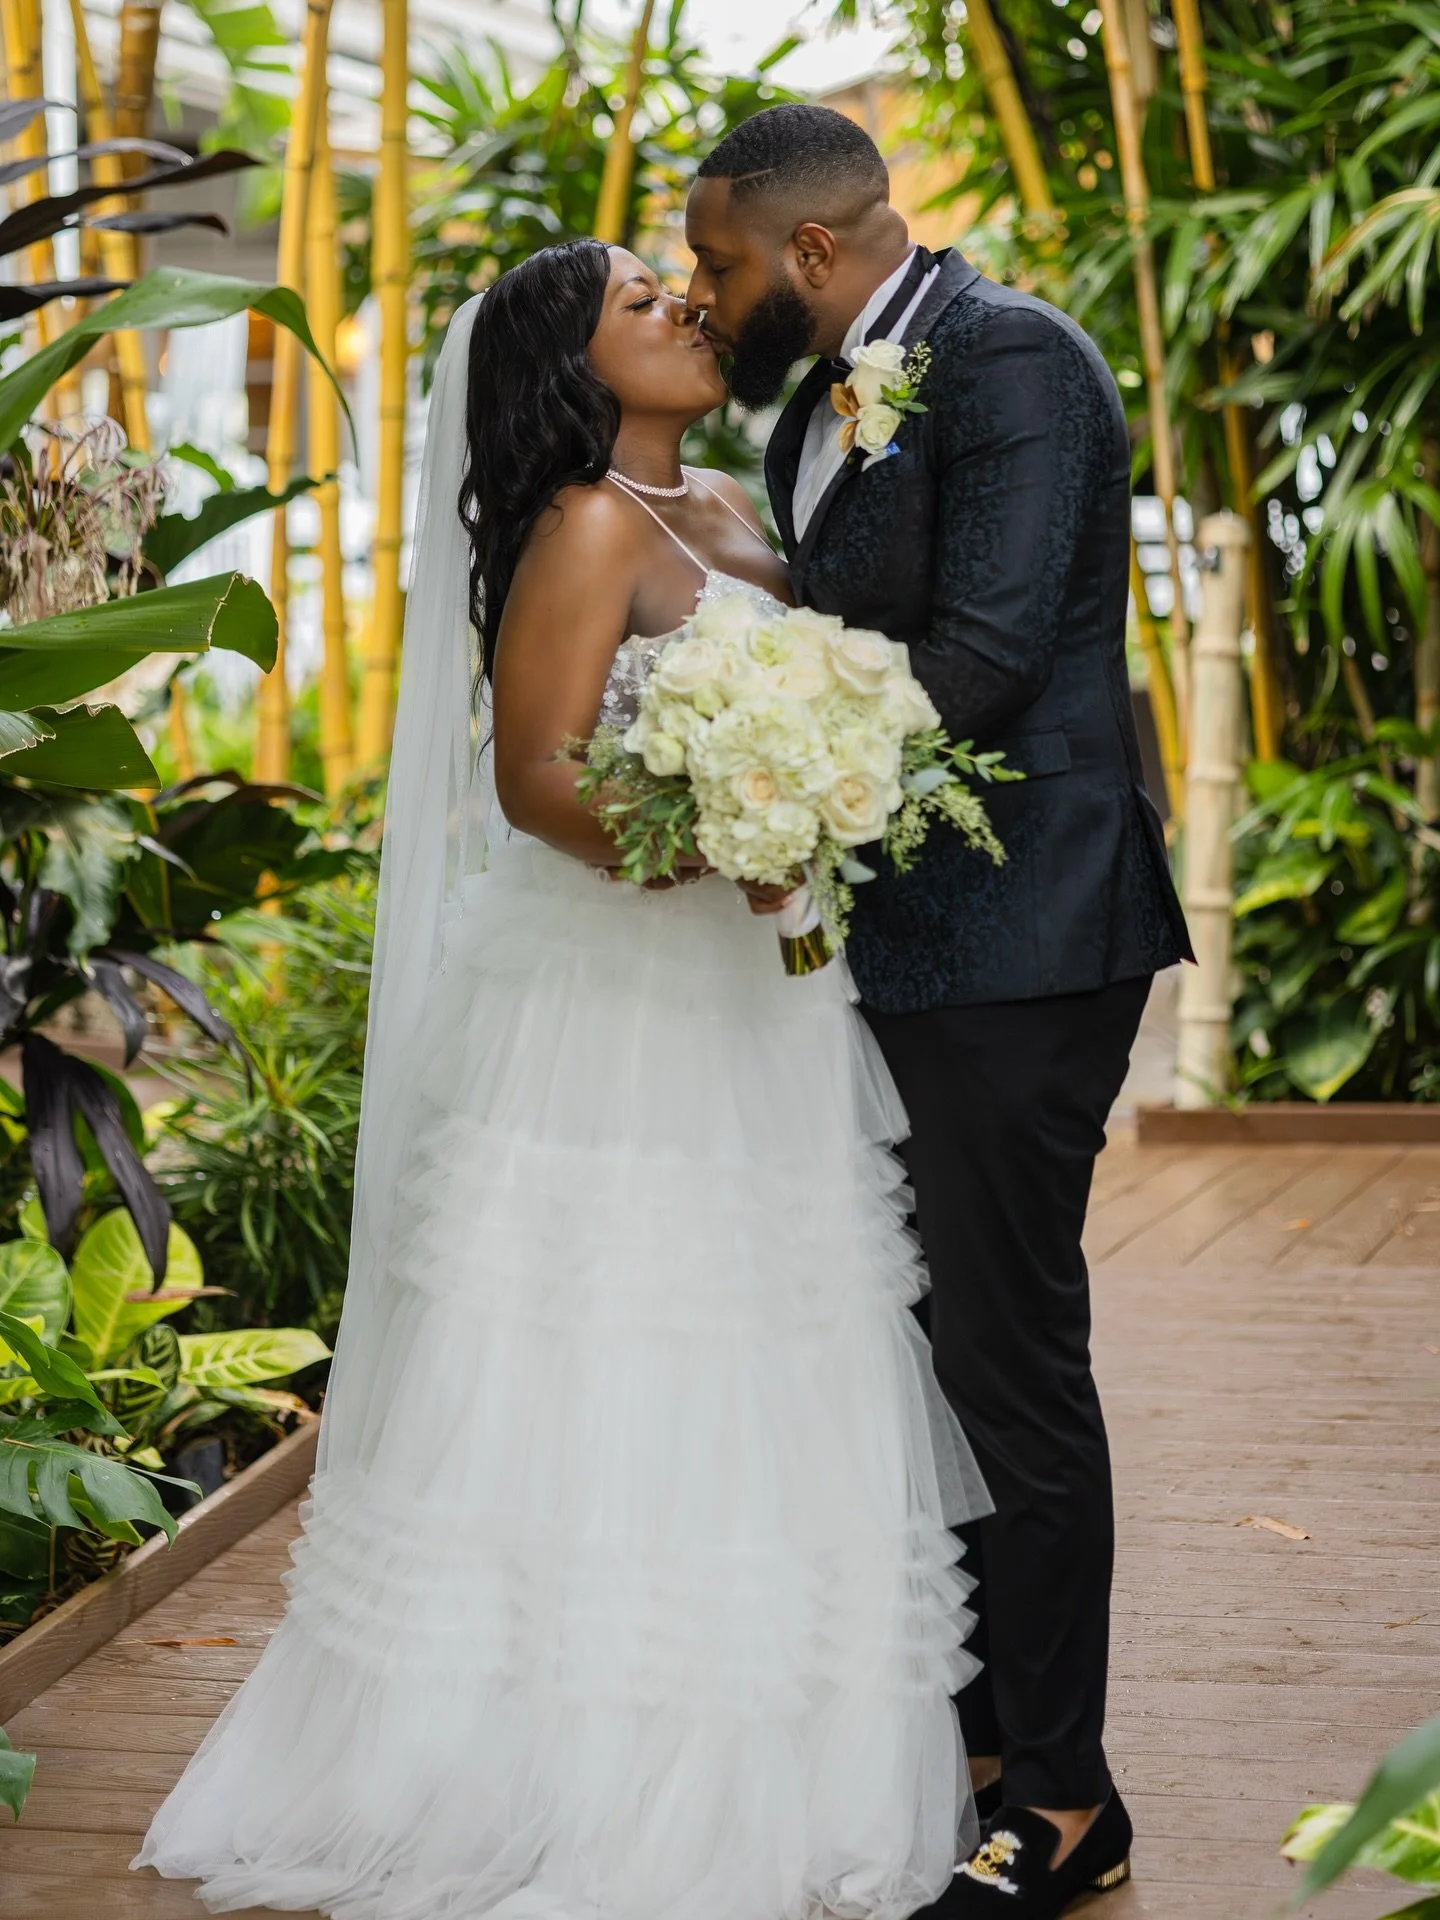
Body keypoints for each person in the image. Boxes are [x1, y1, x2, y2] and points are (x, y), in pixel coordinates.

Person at [132, 240, 991, 1920]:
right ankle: (550, 1767)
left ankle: (771, 1749)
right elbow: (535, 779)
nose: (683, 308)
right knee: (599, 1341)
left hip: (763, 998)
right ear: (575, 366)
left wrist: (804, 805)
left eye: (679, 287)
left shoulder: (745, 504)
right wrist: (722, 840)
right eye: (642, 303)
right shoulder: (589, 522)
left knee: (769, 1338)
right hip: (618, 997)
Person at [686, 104, 1192, 1920]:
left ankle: (1067, 1801)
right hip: (902, 934)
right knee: (921, 1362)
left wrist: (763, 785)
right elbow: (837, 618)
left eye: (718, 260)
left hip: (1027, 937)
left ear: (810, 251)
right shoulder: (814, 400)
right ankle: (975, 1754)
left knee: (1008, 1361)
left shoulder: (1016, 363)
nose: (702, 288)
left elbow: (976, 660)